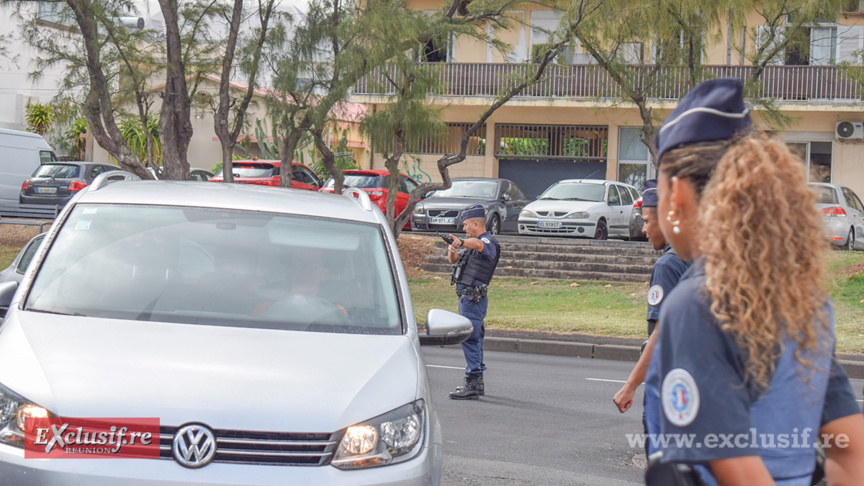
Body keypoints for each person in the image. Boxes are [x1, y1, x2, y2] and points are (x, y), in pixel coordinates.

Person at [644, 77, 864, 485]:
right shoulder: (805, 301)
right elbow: (849, 447)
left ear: (675, 194)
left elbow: (739, 473)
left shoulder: (697, 303)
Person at [612, 180, 689, 458]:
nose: (643, 229)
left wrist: (630, 386)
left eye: (646, 221)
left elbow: (661, 334)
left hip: (670, 383)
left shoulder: (668, 264)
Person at [446, 205, 500, 400]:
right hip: (467, 298)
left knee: (470, 339)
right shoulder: (471, 244)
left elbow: (478, 246)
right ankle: (476, 381)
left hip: (473, 299)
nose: (464, 228)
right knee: (473, 339)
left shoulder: (486, 241)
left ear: (476, 224)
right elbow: (454, 260)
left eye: (466, 225)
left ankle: (473, 381)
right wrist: (453, 249)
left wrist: (462, 242)